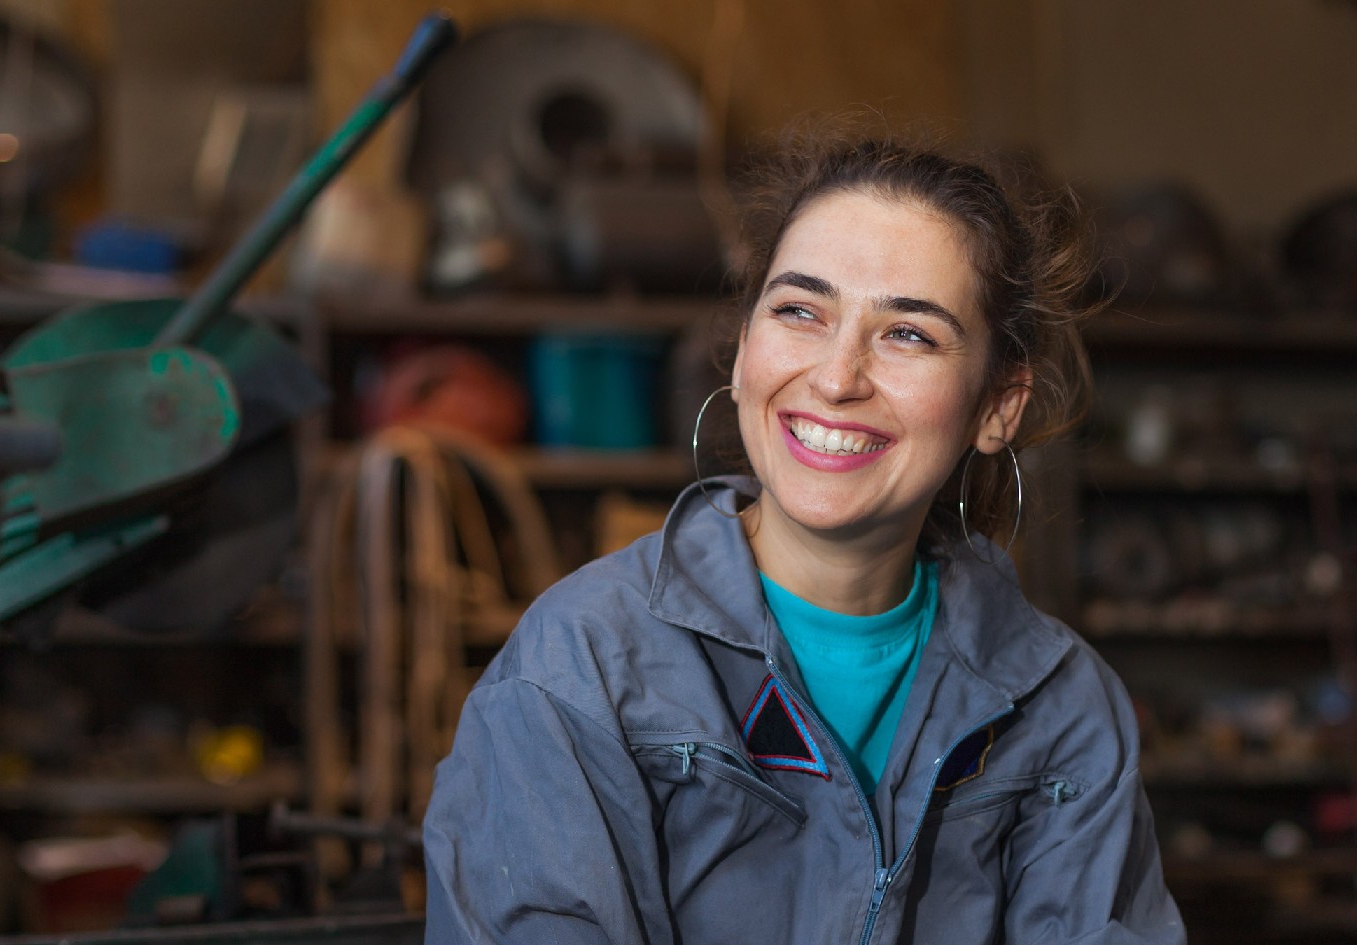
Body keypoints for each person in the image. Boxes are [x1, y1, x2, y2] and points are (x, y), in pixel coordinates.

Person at [422, 130, 1186, 944]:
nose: (835, 377)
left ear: (998, 405)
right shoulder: (579, 668)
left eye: (909, 334)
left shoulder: (1063, 706)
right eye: (799, 311)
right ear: (746, 346)